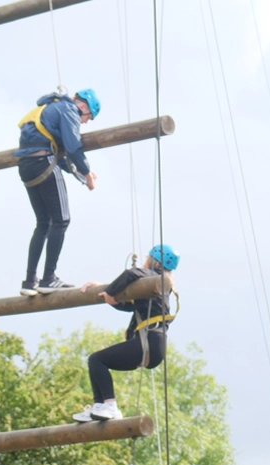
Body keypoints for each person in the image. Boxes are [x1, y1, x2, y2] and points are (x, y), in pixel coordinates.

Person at [73, 245, 178, 422]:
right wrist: (108, 294)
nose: (144, 261)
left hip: (150, 342)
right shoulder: (155, 285)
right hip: (152, 343)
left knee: (97, 360)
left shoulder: (155, 276)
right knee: (96, 360)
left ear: (155, 261)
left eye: (147, 258)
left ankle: (110, 405)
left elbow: (130, 274)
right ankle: (99, 406)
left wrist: (109, 291)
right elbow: (130, 306)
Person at [15, 88, 102, 296]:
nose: (85, 123)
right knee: (61, 221)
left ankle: (29, 281)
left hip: (27, 166)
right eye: (88, 118)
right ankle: (48, 278)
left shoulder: (49, 109)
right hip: (43, 161)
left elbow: (62, 158)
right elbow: (73, 147)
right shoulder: (69, 110)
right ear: (84, 107)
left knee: (43, 223)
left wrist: (83, 176)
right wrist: (88, 172)